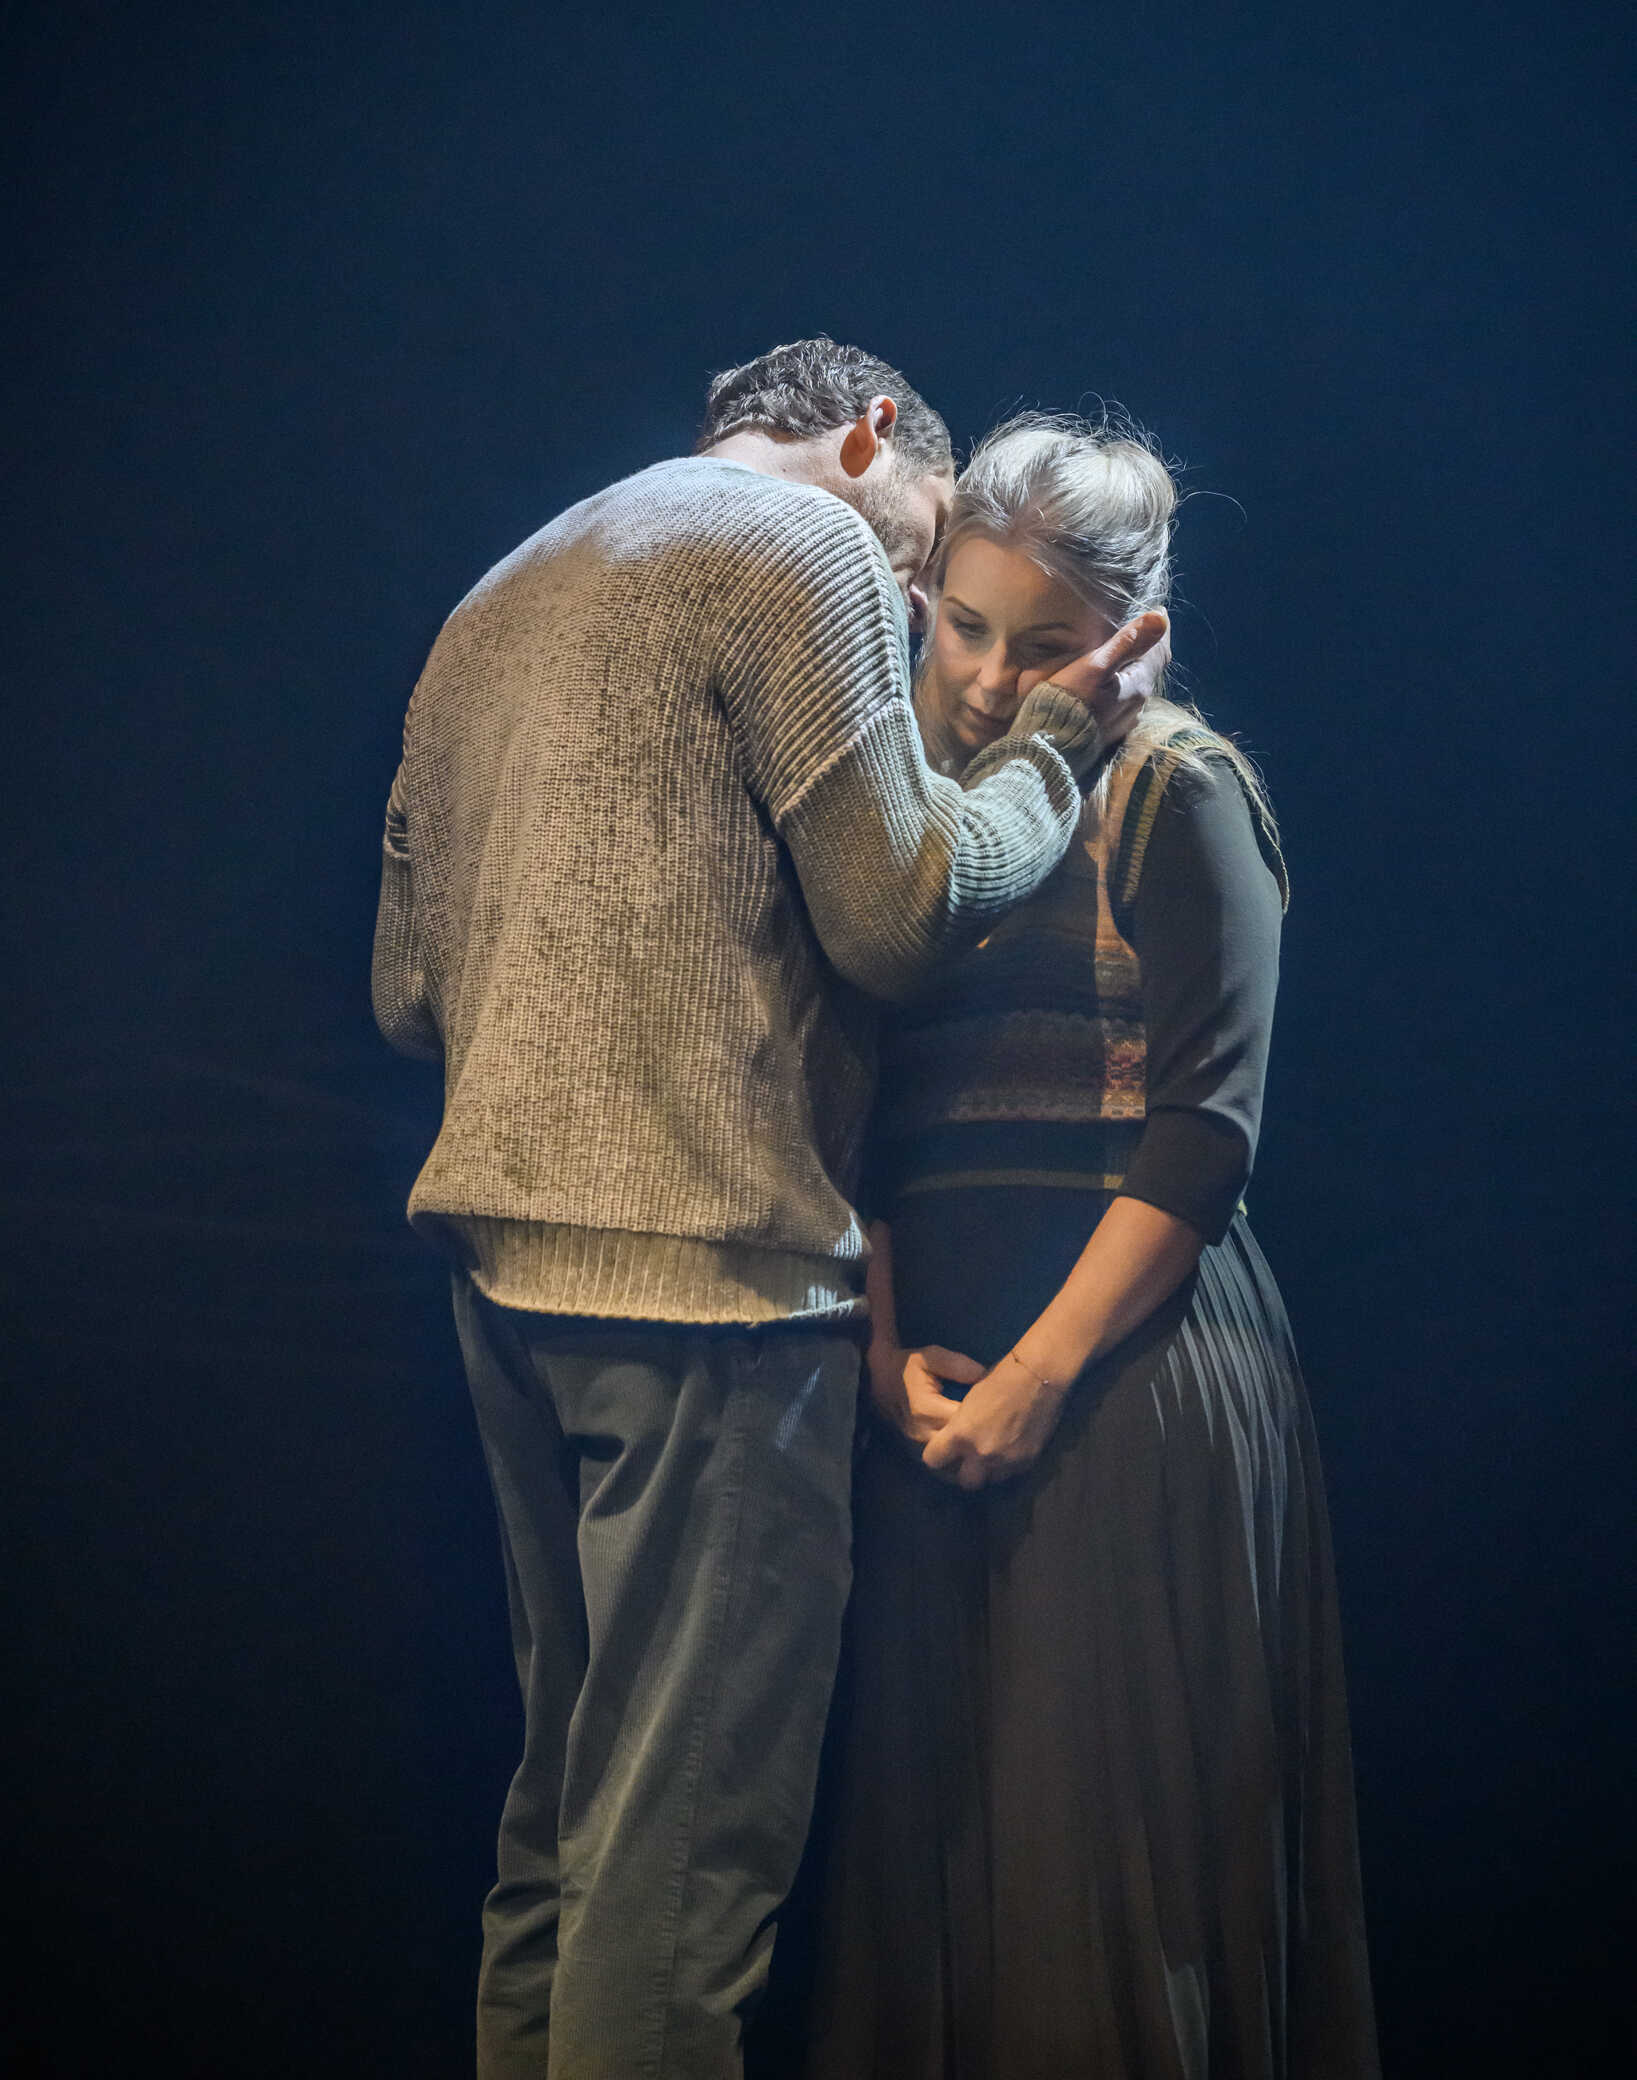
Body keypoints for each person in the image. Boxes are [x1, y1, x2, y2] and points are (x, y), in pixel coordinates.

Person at [370, 342, 1169, 2080]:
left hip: (506, 1280)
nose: (906, 612)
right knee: (679, 1881)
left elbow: (403, 994)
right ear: (872, 440)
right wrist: (1050, 744)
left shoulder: (500, 588)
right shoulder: (793, 544)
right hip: (708, 1292)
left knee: (570, 1833)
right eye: (920, 560)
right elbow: (898, 915)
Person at [794, 414, 1380, 2080]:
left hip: (1125, 1378)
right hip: (924, 1393)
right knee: (933, 1880)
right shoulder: (899, 809)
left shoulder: (1175, 791)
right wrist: (878, 1360)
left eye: (1045, 645)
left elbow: (1207, 1136)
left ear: (1133, 635)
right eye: (963, 625)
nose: (990, 678)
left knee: (1092, 1887)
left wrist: (1040, 1381)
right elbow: (855, 1117)